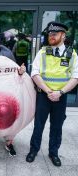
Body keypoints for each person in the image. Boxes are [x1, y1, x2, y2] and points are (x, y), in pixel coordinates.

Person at [26, 21, 78, 167]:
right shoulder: (42, 52)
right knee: (38, 125)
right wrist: (49, 91)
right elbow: (35, 73)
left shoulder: (72, 54)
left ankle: (53, 153)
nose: (51, 36)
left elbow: (76, 76)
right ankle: (33, 150)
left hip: (61, 97)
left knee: (57, 126)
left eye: (54, 34)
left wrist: (60, 92)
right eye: (50, 34)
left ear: (63, 35)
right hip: (44, 95)